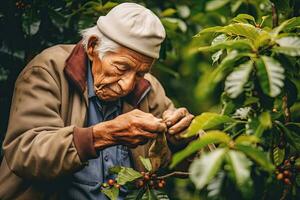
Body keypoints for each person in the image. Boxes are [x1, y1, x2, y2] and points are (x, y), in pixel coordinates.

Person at [0, 3, 194, 199]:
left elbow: (186, 165)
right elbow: (25, 153)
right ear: (93, 47)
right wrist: (104, 135)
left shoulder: (148, 88)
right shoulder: (47, 72)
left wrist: (181, 140)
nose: (127, 85)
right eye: (121, 68)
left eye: (139, 74)